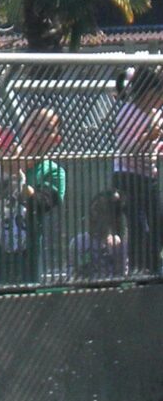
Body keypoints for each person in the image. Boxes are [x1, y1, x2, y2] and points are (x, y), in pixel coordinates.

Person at [0, 107, 66, 286]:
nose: (37, 134)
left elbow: (43, 204)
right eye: (33, 125)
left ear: (56, 140)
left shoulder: (54, 172)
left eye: (46, 130)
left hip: (24, 263)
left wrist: (17, 179)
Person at [111, 65, 163, 275]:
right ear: (150, 94)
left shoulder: (156, 114)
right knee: (138, 224)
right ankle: (138, 268)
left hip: (148, 176)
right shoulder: (128, 113)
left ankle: (154, 265)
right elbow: (126, 149)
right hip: (127, 176)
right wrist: (147, 138)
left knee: (158, 220)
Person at [69, 190, 128, 280]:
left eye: (100, 212)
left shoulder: (121, 244)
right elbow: (73, 273)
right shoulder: (78, 242)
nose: (95, 217)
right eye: (93, 212)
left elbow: (124, 274)